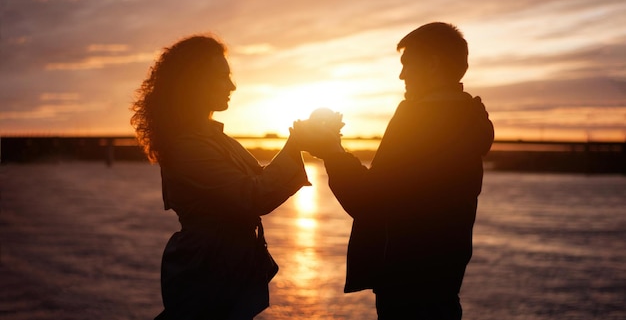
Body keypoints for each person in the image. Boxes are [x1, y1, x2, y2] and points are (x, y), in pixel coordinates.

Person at [301, 22, 494, 319]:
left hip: (409, 286)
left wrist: (332, 151)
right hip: (438, 283)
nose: (401, 75)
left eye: (407, 64)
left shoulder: (421, 118)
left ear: (432, 64)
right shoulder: (465, 117)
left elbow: (370, 200)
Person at [130, 35, 311, 320]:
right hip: (208, 271)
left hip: (220, 268)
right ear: (195, 82)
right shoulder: (188, 144)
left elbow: (257, 181)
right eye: (222, 76)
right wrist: (296, 144)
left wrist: (296, 143)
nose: (232, 85)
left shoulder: (209, 136)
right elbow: (253, 196)